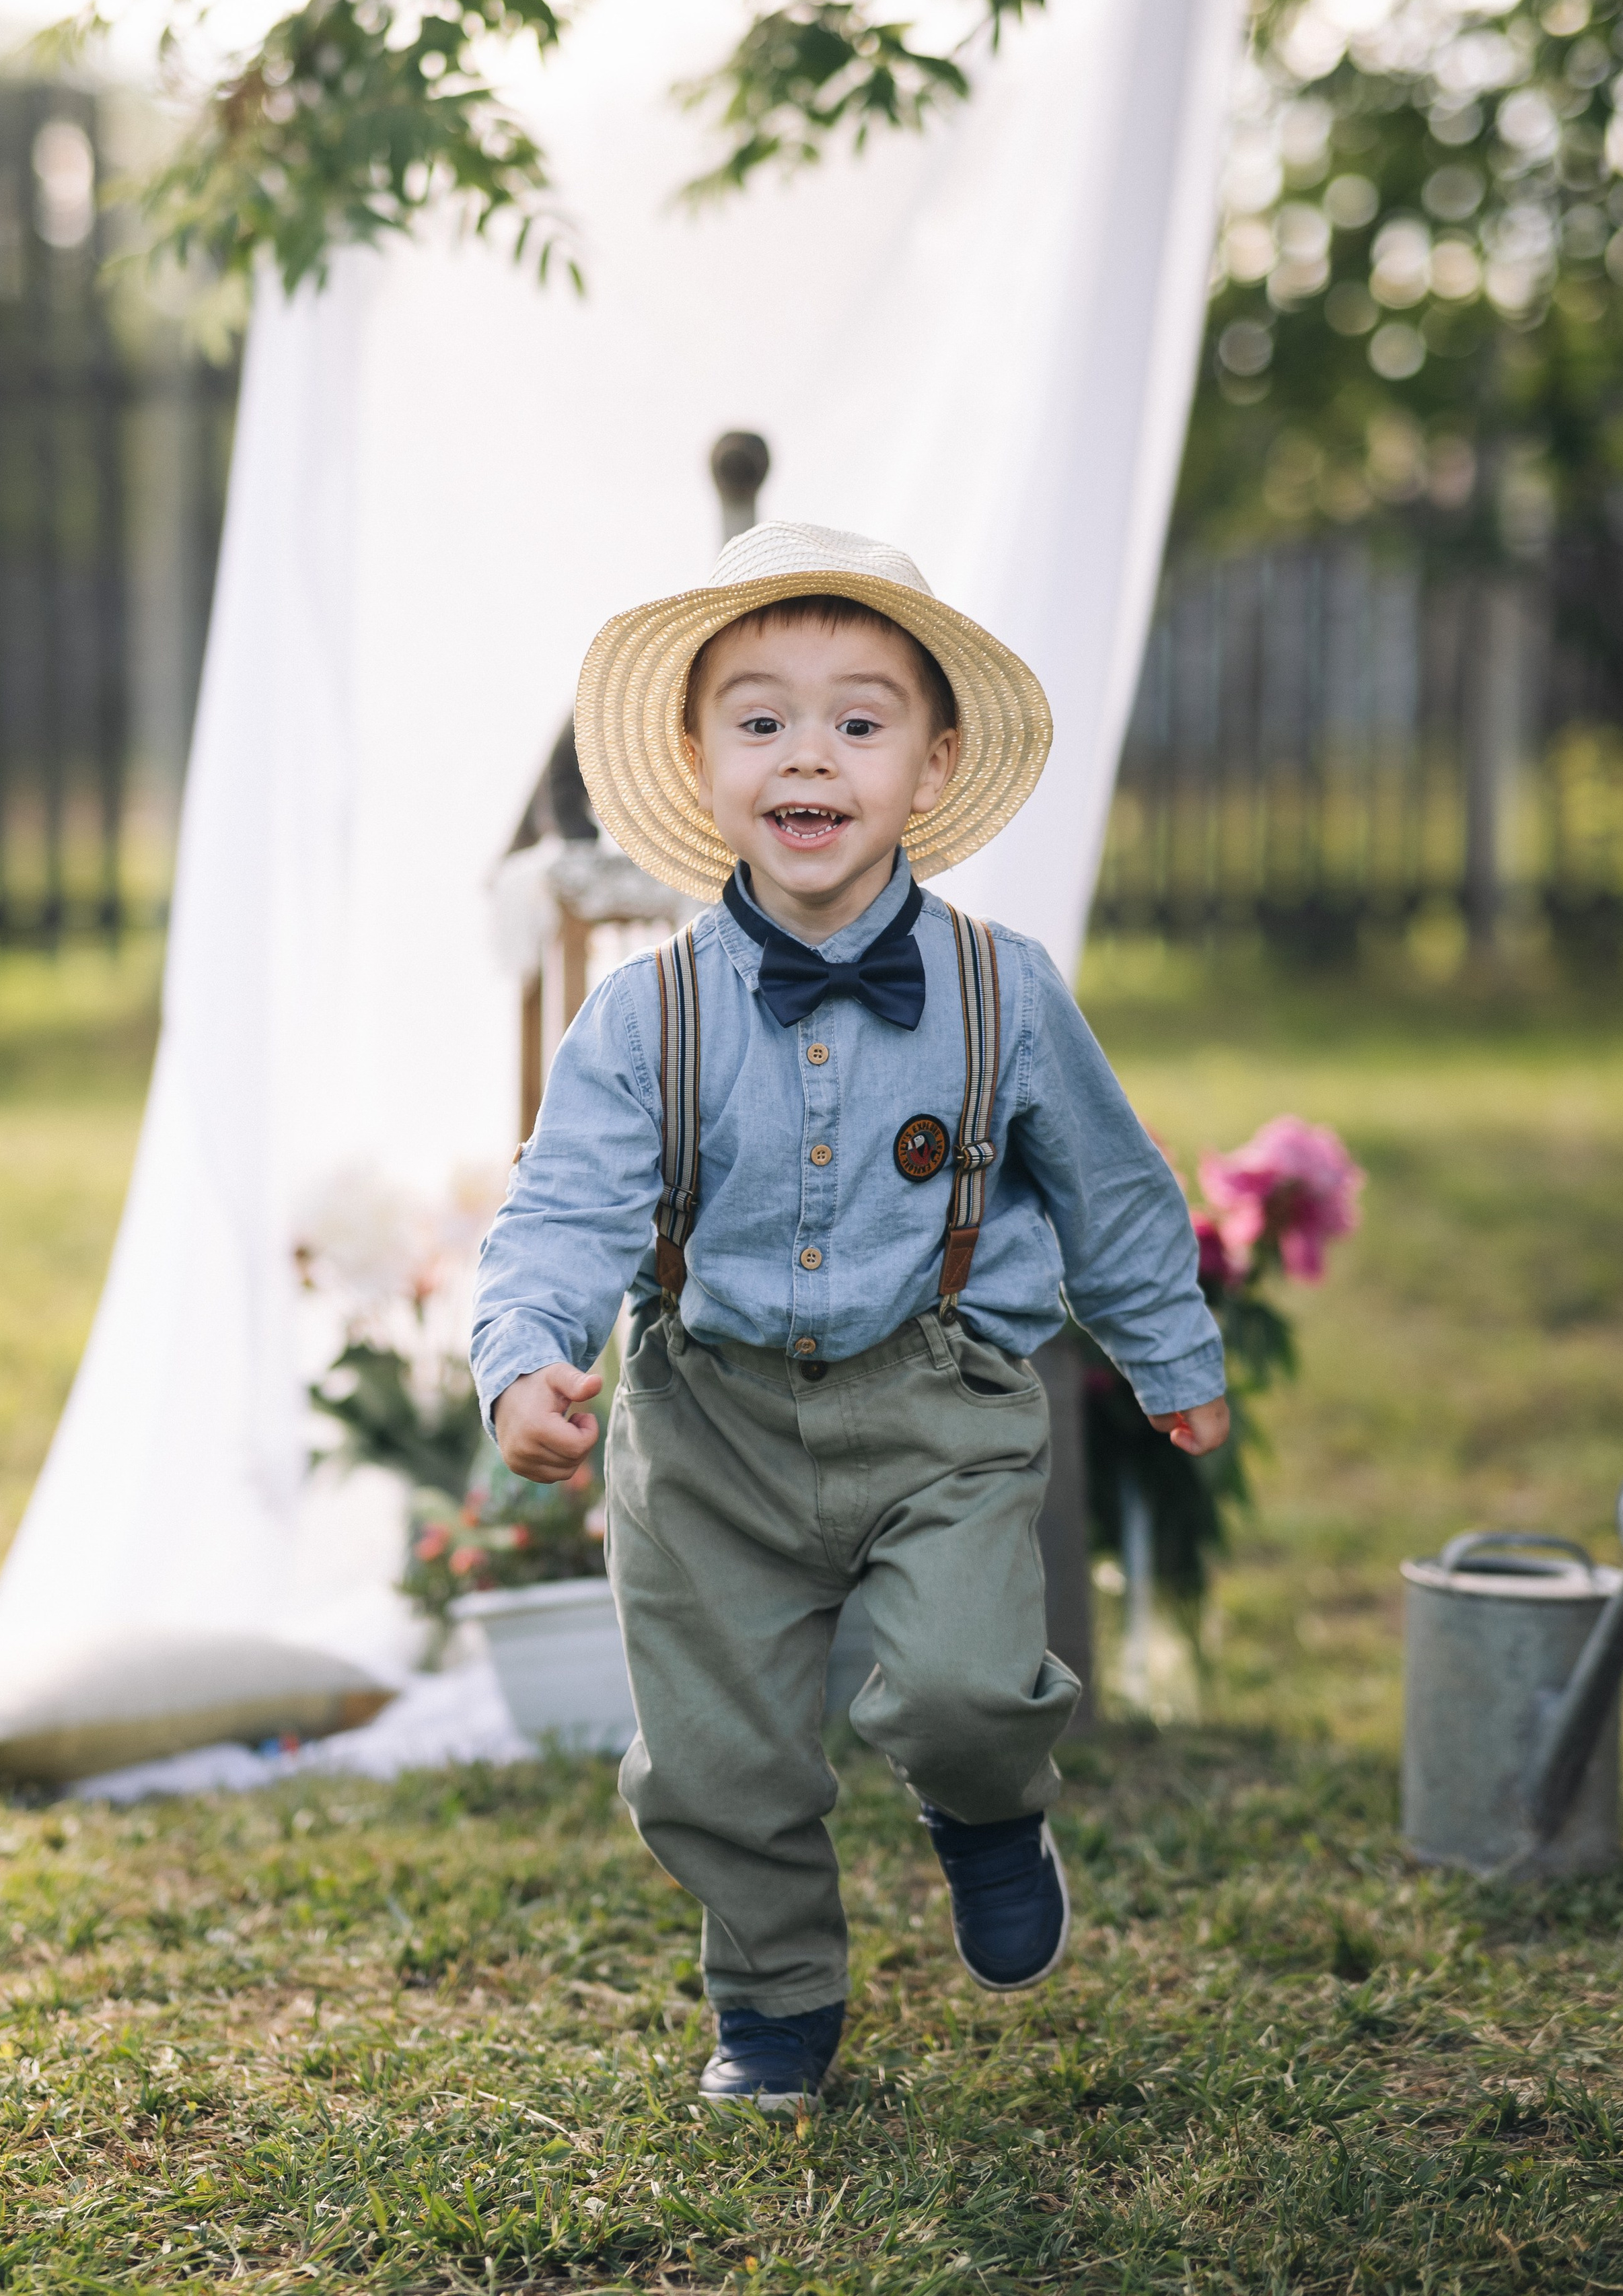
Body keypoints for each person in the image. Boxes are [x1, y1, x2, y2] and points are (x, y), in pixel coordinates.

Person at [472, 522, 1228, 2115]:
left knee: (958, 1682)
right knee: (715, 1754)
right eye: (759, 719)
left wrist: (1170, 1354)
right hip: (707, 1427)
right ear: (699, 760)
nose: (805, 754)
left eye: (856, 721)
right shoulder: (643, 1015)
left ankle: (985, 1810)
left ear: (929, 765)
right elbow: (563, 1208)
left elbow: (1110, 1185)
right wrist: (527, 1354)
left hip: (935, 1400)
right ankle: (774, 2000)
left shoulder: (1003, 991)